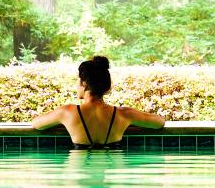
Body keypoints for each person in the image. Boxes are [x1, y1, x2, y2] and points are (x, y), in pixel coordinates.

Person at [30, 56, 165, 149]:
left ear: (84, 83)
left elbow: (36, 124)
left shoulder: (67, 113)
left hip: (81, 174)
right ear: (106, 86)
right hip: (111, 174)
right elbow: (160, 122)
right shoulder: (124, 114)